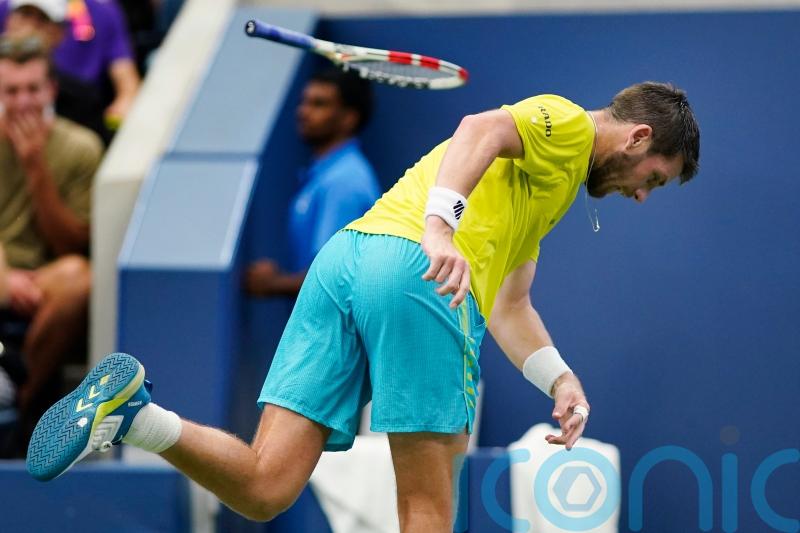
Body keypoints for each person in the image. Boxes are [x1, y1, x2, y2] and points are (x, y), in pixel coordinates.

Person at [27, 82, 700, 532]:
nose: (643, 195)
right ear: (639, 138)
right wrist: (440, 226)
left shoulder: (543, 191)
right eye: (655, 180)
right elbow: (479, 128)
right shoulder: (564, 124)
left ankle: (134, 416)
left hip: (346, 262)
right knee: (429, 508)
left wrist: (558, 377)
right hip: (419, 271)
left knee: (267, 486)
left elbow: (511, 304)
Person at [0, 37, 102, 448]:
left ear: (51, 90)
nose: (23, 102)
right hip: (5, 272)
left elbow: (71, 246)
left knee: (78, 277)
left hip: (43, 283)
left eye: (32, 89)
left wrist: (35, 167)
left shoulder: (80, 147)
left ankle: (21, 404)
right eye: (11, 91)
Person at [244, 68, 380, 297]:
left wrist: (272, 283)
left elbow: (333, 279)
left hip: (336, 332)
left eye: (319, 104)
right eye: (304, 102)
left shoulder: (344, 182)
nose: (303, 112)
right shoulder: (330, 174)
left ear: (349, 118)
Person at [0, 0, 141, 138]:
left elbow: (127, 85)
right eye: (24, 16)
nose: (29, 29)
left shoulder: (82, 100)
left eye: (41, 21)